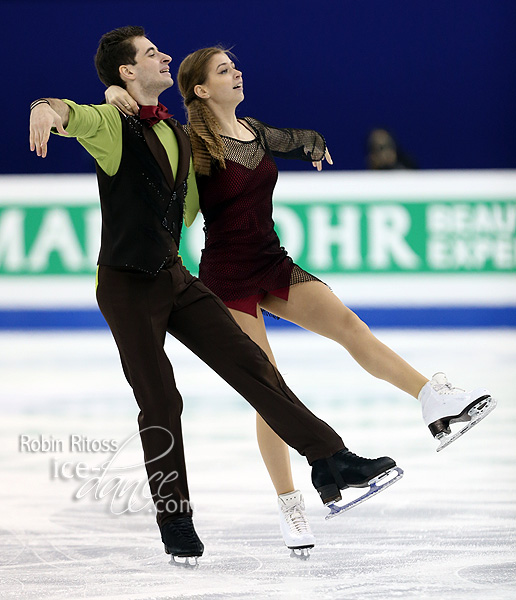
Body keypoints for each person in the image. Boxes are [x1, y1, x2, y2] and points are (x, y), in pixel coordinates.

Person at [29, 27, 405, 564]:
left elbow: (186, 210)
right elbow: (73, 115)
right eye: (150, 53)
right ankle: (175, 521)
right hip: (126, 285)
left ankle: (331, 460)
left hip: (174, 276)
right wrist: (46, 108)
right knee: (161, 400)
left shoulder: (179, 135)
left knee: (253, 365)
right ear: (127, 72)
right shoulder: (112, 124)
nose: (163, 55)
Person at [105, 45, 496, 554]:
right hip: (227, 276)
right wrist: (116, 92)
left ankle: (434, 403)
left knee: (350, 326)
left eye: (235, 65)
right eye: (225, 70)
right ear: (201, 89)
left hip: (271, 260)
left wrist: (313, 144)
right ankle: (291, 505)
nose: (237, 71)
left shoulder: (255, 130)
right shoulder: (191, 143)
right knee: (269, 388)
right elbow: (164, 169)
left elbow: (293, 141)